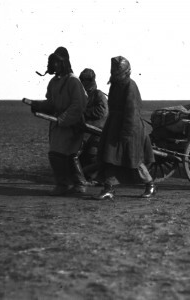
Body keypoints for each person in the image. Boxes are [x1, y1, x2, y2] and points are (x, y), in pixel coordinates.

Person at [94, 56, 156, 200]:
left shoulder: (130, 86)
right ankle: (108, 188)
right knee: (109, 157)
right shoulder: (115, 84)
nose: (115, 74)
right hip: (115, 125)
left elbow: (132, 112)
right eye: (114, 72)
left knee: (134, 159)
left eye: (117, 72)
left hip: (131, 128)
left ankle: (150, 185)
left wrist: (126, 134)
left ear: (126, 72)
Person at [30, 47, 89, 196]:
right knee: (56, 155)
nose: (54, 65)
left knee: (69, 154)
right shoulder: (53, 82)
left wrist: (62, 119)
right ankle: (63, 184)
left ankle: (79, 184)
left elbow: (79, 104)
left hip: (72, 125)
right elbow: (51, 103)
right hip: (58, 125)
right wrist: (38, 106)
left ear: (63, 63)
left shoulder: (74, 81)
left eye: (57, 62)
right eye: (53, 62)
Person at [78, 68, 108, 184]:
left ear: (90, 80)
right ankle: (83, 176)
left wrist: (84, 111)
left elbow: (102, 111)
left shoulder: (98, 94)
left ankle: (92, 178)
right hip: (86, 130)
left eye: (84, 80)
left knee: (92, 154)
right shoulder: (82, 95)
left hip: (97, 131)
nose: (83, 82)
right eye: (81, 79)